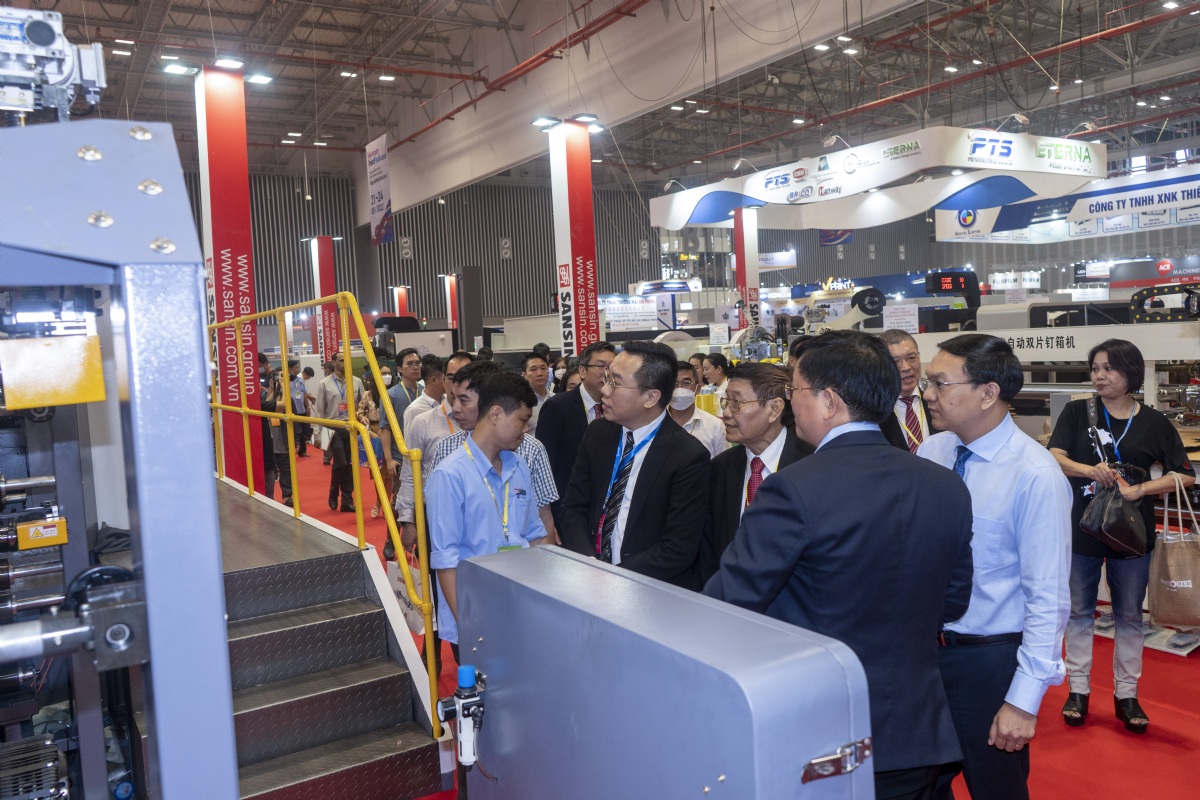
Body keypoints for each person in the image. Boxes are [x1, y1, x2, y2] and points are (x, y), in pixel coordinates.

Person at [704, 330, 974, 799]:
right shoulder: (945, 484)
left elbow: (728, 604)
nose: (792, 403)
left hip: (823, 730)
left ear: (828, 401)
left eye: (796, 390)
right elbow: (954, 600)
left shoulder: (793, 488)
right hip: (917, 729)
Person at [918, 334, 1071, 800]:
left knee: (995, 788)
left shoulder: (1034, 474)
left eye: (940, 383)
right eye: (929, 383)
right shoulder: (933, 453)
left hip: (988, 663)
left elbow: (1048, 597)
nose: (928, 394)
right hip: (924, 656)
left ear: (988, 393)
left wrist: (1023, 701)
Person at [1048, 338, 1195, 734]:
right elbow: (1054, 456)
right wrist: (1087, 470)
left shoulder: (1154, 422)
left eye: (1108, 368)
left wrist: (1141, 489)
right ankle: (1078, 690)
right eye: (1095, 368)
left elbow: (1184, 474)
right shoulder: (1077, 412)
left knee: (1130, 615)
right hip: (1082, 528)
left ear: (1130, 373)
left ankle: (1127, 695)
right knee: (1079, 611)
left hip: (1132, 534)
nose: (1099, 376)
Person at [559, 340, 710, 587]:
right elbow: (574, 507)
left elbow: (678, 547)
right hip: (588, 577)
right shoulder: (598, 433)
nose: (604, 389)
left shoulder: (688, 456)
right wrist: (589, 565)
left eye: (615, 383)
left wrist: (612, 578)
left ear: (650, 397)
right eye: (606, 378)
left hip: (648, 588)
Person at [427, 370, 553, 664]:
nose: (526, 428)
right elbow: (446, 561)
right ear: (496, 414)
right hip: (477, 614)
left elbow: (536, 535)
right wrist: (470, 628)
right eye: (522, 419)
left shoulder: (519, 465)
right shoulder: (450, 475)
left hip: (520, 607)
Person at [696, 362, 813, 585]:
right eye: (726, 402)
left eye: (737, 403)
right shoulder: (720, 468)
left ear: (774, 409)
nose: (726, 413)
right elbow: (708, 549)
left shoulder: (810, 465)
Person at [427, 361, 559, 545]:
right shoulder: (447, 456)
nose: (455, 408)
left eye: (464, 400)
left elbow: (541, 523)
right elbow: (444, 539)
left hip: (522, 560)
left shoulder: (526, 454)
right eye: (453, 398)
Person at [536, 341, 617, 527]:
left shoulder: (619, 408)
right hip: (567, 509)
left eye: (612, 367)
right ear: (582, 371)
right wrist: (550, 518)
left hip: (606, 509)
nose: (607, 373)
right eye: (600, 366)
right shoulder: (558, 407)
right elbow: (545, 466)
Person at [313, 352, 364, 511]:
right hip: (333, 427)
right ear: (333, 363)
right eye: (341, 360)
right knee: (340, 463)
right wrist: (317, 434)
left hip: (352, 427)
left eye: (346, 360)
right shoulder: (324, 384)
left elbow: (363, 405)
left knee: (350, 465)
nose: (345, 363)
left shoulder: (356, 382)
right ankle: (333, 493)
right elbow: (319, 410)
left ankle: (347, 500)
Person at [879, 329, 939, 452]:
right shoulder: (873, 412)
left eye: (911, 357)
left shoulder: (938, 401)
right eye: (895, 361)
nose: (906, 367)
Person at [667, 360, 727, 459]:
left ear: (697, 389)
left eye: (686, 383)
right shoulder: (654, 423)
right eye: (674, 383)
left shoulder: (715, 426)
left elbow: (724, 464)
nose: (679, 388)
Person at [379, 347, 423, 479]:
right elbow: (385, 428)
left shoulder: (425, 391)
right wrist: (389, 460)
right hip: (401, 457)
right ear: (399, 368)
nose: (415, 367)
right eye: (410, 364)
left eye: (417, 363)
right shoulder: (391, 395)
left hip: (424, 455)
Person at [356, 370, 388, 517]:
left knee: (390, 473)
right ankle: (380, 502)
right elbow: (360, 411)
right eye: (382, 373)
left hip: (390, 432)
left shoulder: (394, 393)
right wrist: (362, 418)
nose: (386, 376)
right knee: (378, 473)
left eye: (388, 373)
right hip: (374, 434)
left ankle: (384, 504)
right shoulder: (367, 394)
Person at [260, 366, 293, 505]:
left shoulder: (287, 396)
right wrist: (276, 388)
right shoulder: (265, 399)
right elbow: (269, 405)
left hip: (281, 437)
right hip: (269, 439)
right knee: (271, 469)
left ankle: (287, 495)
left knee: (284, 466)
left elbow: (285, 405)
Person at [403, 355, 445, 430]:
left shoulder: (450, 401)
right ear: (434, 380)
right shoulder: (414, 410)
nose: (449, 382)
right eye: (445, 379)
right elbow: (411, 438)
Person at [521, 352, 552, 432]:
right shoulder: (520, 402)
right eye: (533, 369)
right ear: (524, 375)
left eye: (543, 368)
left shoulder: (556, 398)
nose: (539, 373)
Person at [287, 359, 311, 457]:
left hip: (301, 408)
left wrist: (307, 406)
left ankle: (302, 451)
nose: (298, 369)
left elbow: (304, 393)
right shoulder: (284, 381)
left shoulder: (300, 380)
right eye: (296, 367)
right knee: (293, 431)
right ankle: (290, 451)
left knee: (302, 431)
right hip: (290, 410)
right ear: (290, 369)